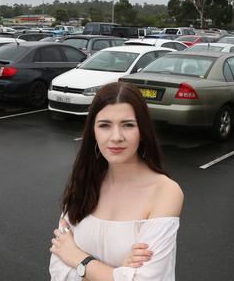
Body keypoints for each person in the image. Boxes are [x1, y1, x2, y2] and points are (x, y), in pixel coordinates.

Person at [49, 82, 184, 281]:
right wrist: (118, 273)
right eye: (104, 125)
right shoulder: (83, 182)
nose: (116, 137)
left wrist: (80, 260)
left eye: (128, 125)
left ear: (143, 131)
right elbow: (58, 268)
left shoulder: (165, 192)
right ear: (93, 132)